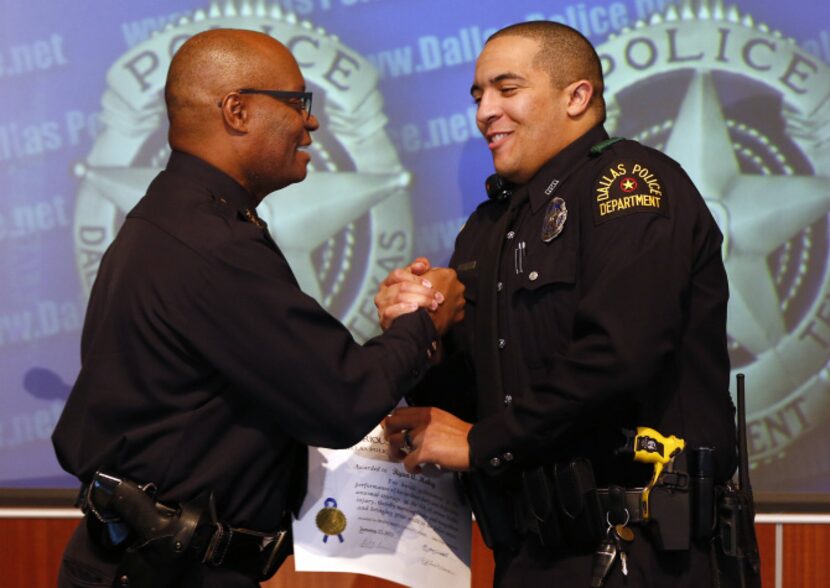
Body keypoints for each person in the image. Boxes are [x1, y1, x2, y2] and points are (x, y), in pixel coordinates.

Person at [52, 28, 464, 588]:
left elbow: (295, 372)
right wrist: (426, 320)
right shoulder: (209, 245)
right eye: (298, 102)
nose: (310, 122)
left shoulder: (176, 222)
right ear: (238, 111)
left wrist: (397, 330)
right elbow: (341, 399)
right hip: (165, 571)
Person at [377, 21, 738, 587]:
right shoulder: (488, 225)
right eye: (478, 95)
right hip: (532, 553)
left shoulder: (627, 185)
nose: (484, 113)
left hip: (642, 554)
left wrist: (480, 442)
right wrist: (421, 329)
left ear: (577, 97)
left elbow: (619, 356)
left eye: (507, 88)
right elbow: (471, 397)